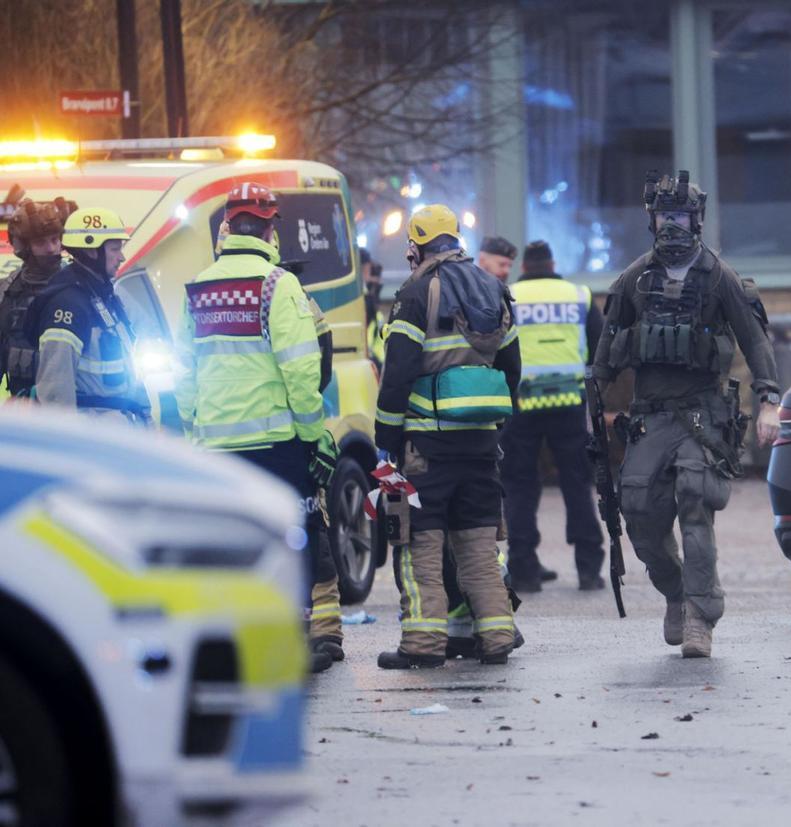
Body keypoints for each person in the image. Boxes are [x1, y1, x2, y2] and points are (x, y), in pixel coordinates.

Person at [591, 171, 780, 658]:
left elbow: (756, 341)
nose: (670, 226)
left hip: (702, 413)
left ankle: (700, 615)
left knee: (695, 505)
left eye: (679, 217)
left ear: (696, 220)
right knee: (638, 515)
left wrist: (769, 401)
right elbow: (608, 350)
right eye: (662, 217)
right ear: (650, 221)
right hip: (650, 415)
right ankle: (675, 592)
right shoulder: (635, 279)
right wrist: (592, 401)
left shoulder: (720, 278)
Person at [174, 183, 343, 674]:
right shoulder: (278, 285)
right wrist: (315, 436)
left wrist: (194, 428)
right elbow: (299, 370)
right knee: (296, 537)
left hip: (217, 447)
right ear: (271, 229)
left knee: (233, 544)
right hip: (277, 445)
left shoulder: (199, 288)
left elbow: (185, 373)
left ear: (226, 228)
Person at [375, 204, 521, 669]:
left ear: (416, 246)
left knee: (420, 549)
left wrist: (386, 438)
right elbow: (511, 368)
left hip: (426, 446)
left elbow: (397, 372)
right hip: (480, 442)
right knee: (479, 547)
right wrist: (495, 425)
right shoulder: (494, 288)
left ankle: (422, 646)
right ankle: (497, 639)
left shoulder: (416, 291)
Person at [502, 239, 606, 593]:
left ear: (525, 268)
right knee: (576, 483)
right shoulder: (578, 295)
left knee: (519, 485)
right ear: (553, 264)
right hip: (568, 400)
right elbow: (600, 345)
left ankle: (524, 569)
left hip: (521, 404)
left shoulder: (509, 295)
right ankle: (589, 568)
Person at [27, 206, 148, 420]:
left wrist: (146, 419)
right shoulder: (67, 306)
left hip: (121, 430)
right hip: (94, 436)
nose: (121, 257)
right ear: (92, 250)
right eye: (114, 249)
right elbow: (55, 393)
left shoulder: (104, 296)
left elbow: (130, 371)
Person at [0, 197, 72, 399]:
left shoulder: (80, 286)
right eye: (41, 242)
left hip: (74, 409)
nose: (51, 248)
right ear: (22, 247)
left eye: (55, 240)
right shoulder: (6, 292)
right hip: (24, 412)